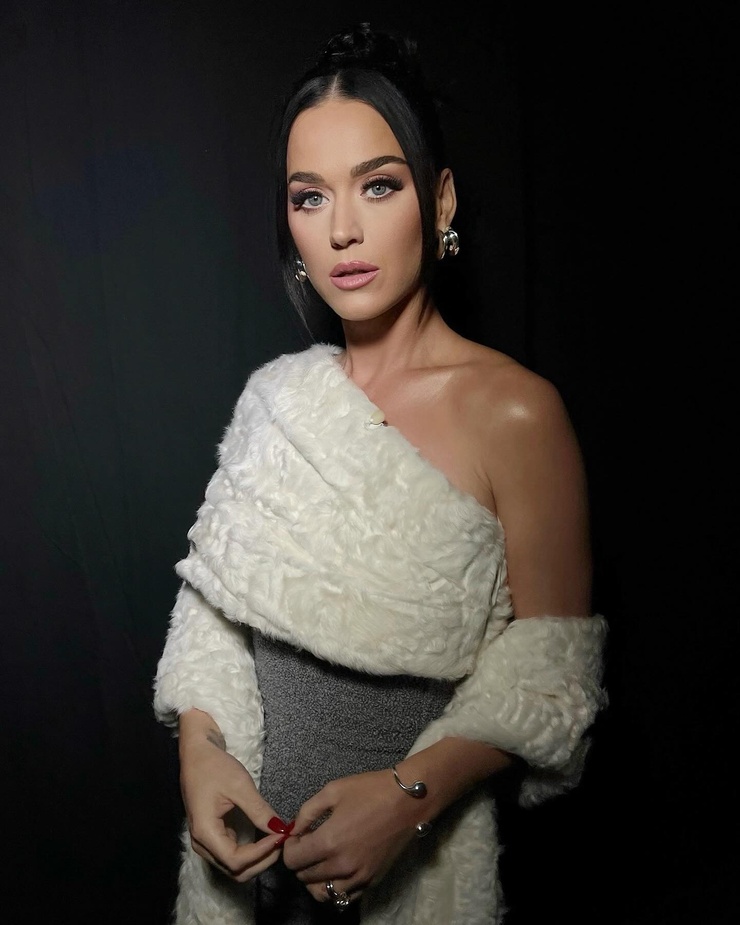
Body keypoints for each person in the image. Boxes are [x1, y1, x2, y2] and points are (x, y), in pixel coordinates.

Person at [153, 21, 608, 925]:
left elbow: (553, 676)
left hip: (410, 887)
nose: (343, 230)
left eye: (378, 185)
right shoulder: (275, 397)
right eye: (309, 197)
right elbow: (211, 614)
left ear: (439, 201)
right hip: (245, 883)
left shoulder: (517, 414)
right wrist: (199, 752)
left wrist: (407, 799)